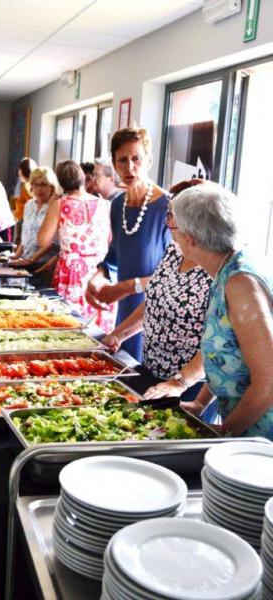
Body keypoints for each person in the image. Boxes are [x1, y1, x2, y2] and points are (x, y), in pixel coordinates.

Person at [169, 181, 273, 438]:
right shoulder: (226, 269)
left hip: (261, 436)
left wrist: (224, 432)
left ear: (190, 239)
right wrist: (200, 403)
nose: (173, 235)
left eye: (176, 228)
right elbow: (224, 353)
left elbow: (269, 381)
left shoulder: (240, 283)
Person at [101, 179, 213, 405]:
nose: (167, 222)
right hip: (152, 373)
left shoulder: (213, 265)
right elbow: (155, 301)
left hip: (189, 387)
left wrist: (179, 382)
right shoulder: (175, 250)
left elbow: (218, 343)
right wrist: (118, 335)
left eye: (172, 216)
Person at [85, 127, 171, 360]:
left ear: (149, 160)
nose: (129, 167)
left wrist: (126, 287)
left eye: (136, 159)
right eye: (122, 160)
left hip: (156, 315)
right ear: (114, 164)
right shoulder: (116, 205)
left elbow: (175, 278)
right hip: (124, 310)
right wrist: (99, 276)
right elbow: (114, 255)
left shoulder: (168, 208)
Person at [37, 160, 114, 330]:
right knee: (96, 330)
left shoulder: (60, 205)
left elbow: (42, 240)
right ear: (82, 178)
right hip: (98, 273)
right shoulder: (106, 205)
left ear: (60, 182)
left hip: (70, 272)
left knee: (66, 328)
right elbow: (110, 240)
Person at [9, 167, 59, 267]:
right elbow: (25, 236)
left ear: (51, 187)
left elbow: (53, 241)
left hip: (44, 263)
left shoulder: (55, 206)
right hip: (25, 259)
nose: (39, 189)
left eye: (44, 185)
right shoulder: (29, 205)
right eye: (35, 185)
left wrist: (32, 260)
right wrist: (16, 256)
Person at [14, 157, 37, 245]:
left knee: (19, 243)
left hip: (24, 219)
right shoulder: (27, 185)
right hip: (22, 218)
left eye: (20, 170)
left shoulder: (27, 186)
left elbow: (31, 202)